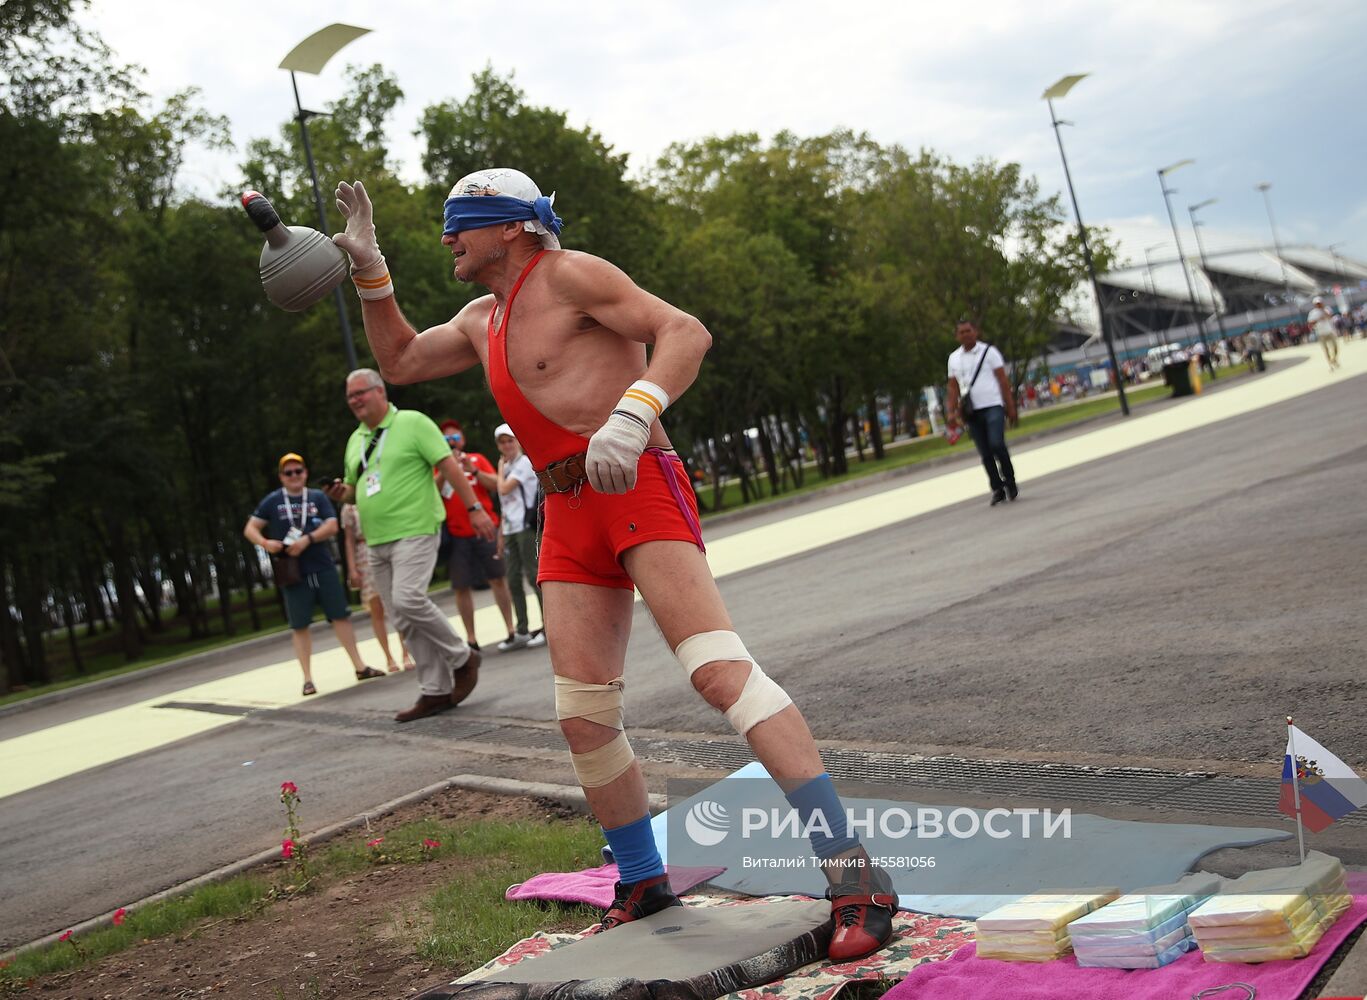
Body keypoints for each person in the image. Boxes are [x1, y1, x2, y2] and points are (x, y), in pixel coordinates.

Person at [329, 169, 897, 961]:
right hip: (566, 512)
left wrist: (634, 414)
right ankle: (642, 882)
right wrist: (368, 270)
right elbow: (399, 361)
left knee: (717, 672)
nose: (447, 236)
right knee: (583, 715)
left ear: (513, 227)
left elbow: (685, 331)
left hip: (635, 485)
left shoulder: (571, 275)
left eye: (461, 221)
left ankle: (856, 876)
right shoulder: (481, 315)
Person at [322, 369, 494, 722]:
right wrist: (343, 493)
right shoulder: (355, 439)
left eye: (360, 393)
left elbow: (448, 465)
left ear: (379, 391)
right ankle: (434, 689)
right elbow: (357, 489)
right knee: (400, 615)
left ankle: (463, 657)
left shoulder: (413, 423)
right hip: (376, 538)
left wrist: (474, 508)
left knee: (408, 598)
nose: (354, 400)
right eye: (349, 396)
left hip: (416, 527)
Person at [244, 453, 386, 695]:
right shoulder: (273, 501)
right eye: (288, 473)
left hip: (322, 564)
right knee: (299, 624)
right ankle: (307, 679)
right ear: (281, 477)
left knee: (340, 616)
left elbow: (331, 525)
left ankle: (359, 666)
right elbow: (250, 528)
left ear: (305, 473)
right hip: (293, 570)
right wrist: (267, 544)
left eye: (298, 471)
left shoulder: (317, 497)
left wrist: (307, 540)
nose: (294, 476)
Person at [436, 418, 519, 652]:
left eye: (454, 438)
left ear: (462, 439)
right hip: (457, 533)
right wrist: (446, 467)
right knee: (461, 586)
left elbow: (497, 484)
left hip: (485, 529)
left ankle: (510, 628)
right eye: (446, 439)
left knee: (498, 578)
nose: (452, 443)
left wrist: (473, 470)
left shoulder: (477, 459)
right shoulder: (437, 465)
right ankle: (471, 638)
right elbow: (433, 490)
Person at [944, 318, 1019, 505]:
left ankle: (1009, 480)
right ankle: (997, 488)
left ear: (976, 332)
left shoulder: (989, 352)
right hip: (971, 411)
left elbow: (1003, 380)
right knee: (985, 453)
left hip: (993, 405)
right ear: (956, 336)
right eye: (961, 332)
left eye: (968, 330)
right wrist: (951, 412)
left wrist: (1010, 407)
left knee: (996, 444)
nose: (966, 334)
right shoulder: (954, 358)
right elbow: (953, 388)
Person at [341, 502, 413, 672]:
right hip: (364, 553)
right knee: (376, 608)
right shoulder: (349, 508)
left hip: (387, 545)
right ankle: (388, 656)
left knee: (398, 604)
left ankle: (406, 652)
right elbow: (349, 540)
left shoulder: (381, 492)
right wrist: (352, 568)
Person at [493, 422, 546, 650]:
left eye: (510, 440)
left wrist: (498, 470)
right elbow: (505, 504)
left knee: (534, 575)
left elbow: (503, 489)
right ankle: (522, 628)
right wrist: (501, 534)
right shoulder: (508, 465)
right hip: (510, 528)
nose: (507, 446)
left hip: (526, 526)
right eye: (502, 442)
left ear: (517, 441)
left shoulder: (523, 464)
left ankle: (548, 625)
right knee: (513, 579)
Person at [1307, 297, 1340, 371]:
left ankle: (1334, 359)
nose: (1319, 305)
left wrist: (1323, 310)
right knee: (1326, 349)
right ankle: (1330, 364)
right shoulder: (1312, 313)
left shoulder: (1327, 309)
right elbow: (1310, 323)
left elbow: (1330, 316)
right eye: (1317, 304)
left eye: (1320, 303)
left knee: (1335, 347)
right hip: (1320, 333)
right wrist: (1318, 319)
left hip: (1330, 331)